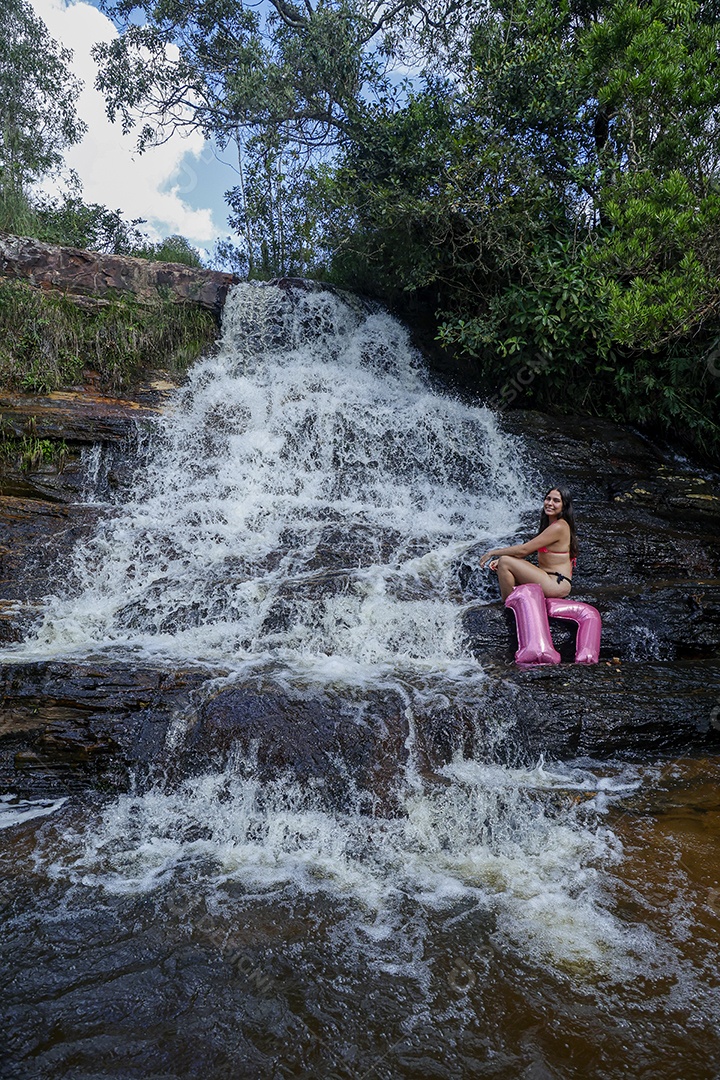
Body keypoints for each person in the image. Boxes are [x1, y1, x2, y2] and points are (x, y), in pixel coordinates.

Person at [478, 487, 578, 601]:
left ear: (564, 506)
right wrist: (504, 561)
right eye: (548, 499)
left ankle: (507, 607)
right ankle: (512, 605)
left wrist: (492, 553)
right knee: (505, 562)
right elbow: (522, 554)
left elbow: (524, 550)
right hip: (548, 578)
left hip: (556, 583)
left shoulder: (559, 526)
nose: (550, 503)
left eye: (556, 501)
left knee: (505, 561)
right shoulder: (551, 525)